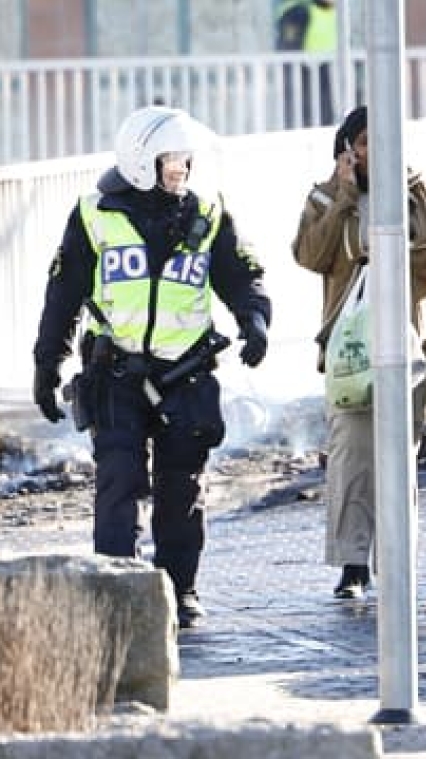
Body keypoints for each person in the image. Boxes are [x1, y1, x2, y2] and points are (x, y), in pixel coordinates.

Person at [31, 105, 272, 630]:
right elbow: (63, 293)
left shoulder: (207, 214)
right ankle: (115, 593)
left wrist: (255, 319)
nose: (182, 168)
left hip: (185, 373)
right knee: (119, 481)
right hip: (115, 375)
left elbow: (239, 274)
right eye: (172, 159)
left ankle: (178, 591)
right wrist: (46, 365)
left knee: (182, 488)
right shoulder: (94, 214)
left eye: (186, 159)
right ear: (142, 160)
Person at [292, 105, 426, 599]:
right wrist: (346, 196)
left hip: (411, 343)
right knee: (351, 453)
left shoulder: (421, 191)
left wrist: (404, 252)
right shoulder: (325, 195)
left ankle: (397, 560)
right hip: (351, 345)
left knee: (400, 454)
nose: (376, 150)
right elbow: (309, 255)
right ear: (348, 147)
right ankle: (351, 565)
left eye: (384, 138)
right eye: (365, 141)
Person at [276, 0, 337, 128]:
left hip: (325, 71)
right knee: (306, 119)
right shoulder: (299, 11)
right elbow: (288, 47)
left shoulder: (334, 12)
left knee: (326, 117)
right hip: (304, 72)